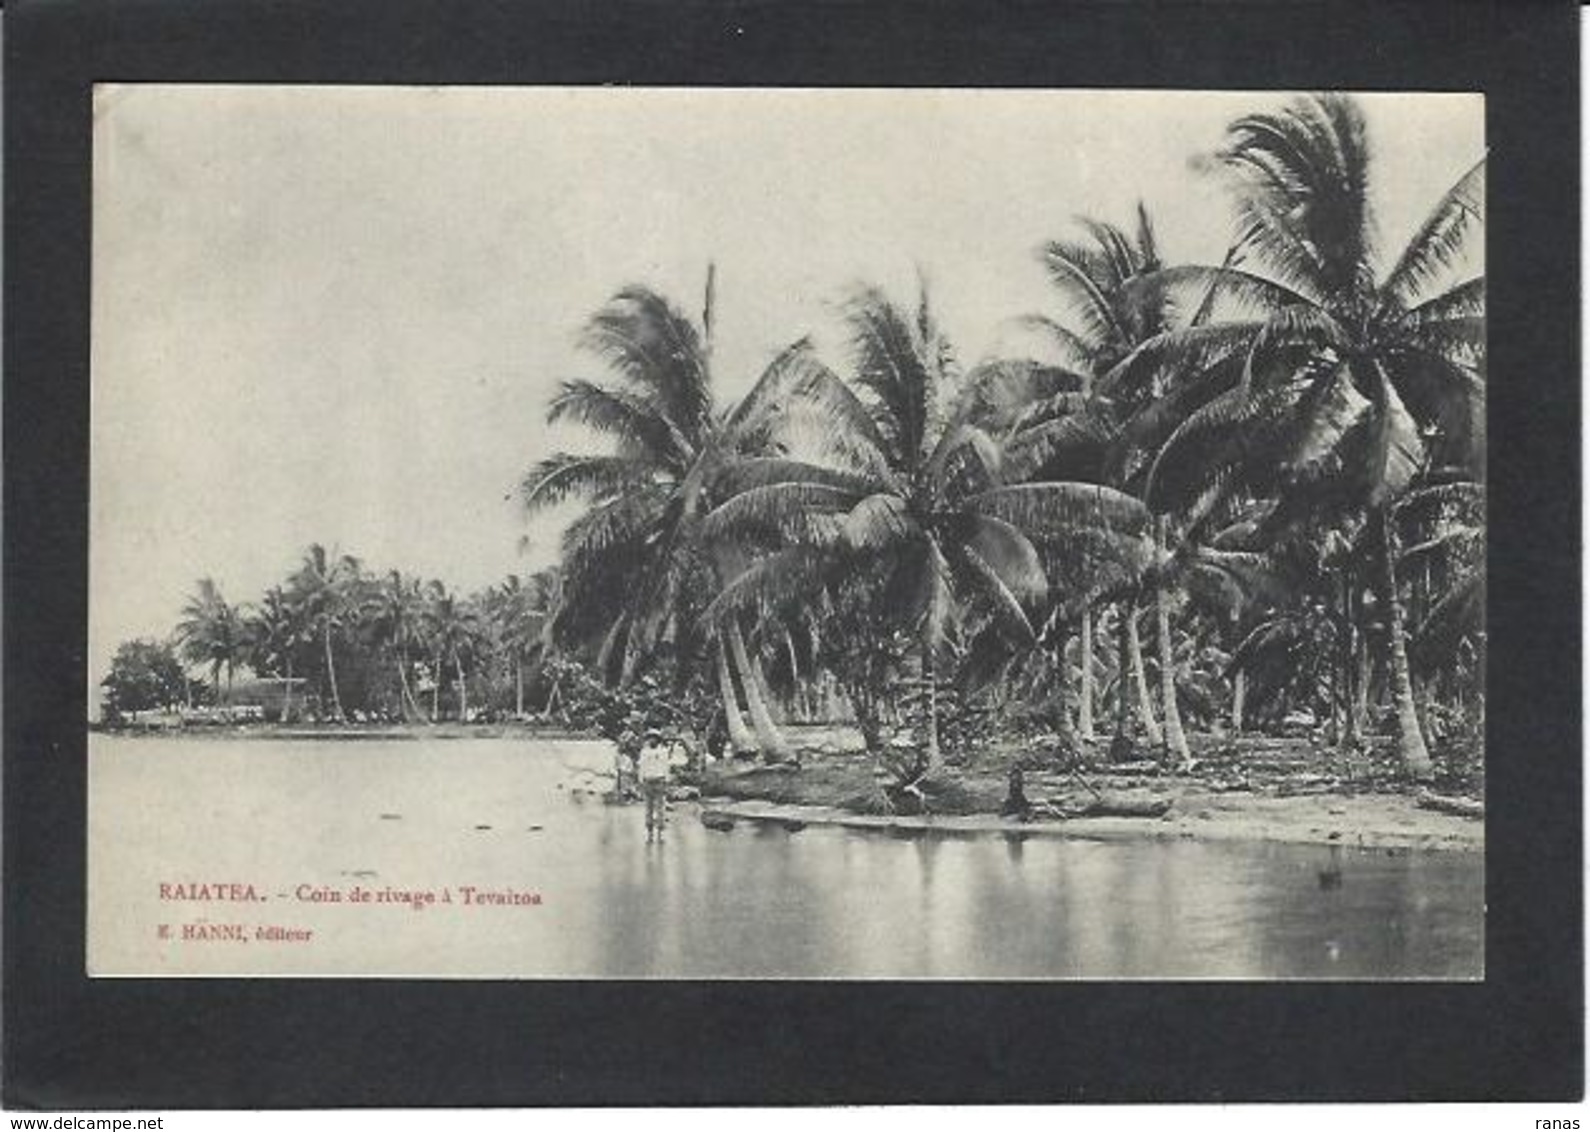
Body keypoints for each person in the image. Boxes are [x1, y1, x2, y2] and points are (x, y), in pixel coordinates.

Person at [637, 728, 672, 838]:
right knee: (648, 807)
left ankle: (660, 829)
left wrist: (667, 780)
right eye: (650, 738)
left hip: (659, 780)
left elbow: (666, 766)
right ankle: (649, 829)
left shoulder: (663, 751)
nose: (652, 740)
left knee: (660, 807)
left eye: (655, 738)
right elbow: (641, 767)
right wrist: (640, 780)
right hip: (648, 780)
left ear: (658, 740)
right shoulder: (644, 752)